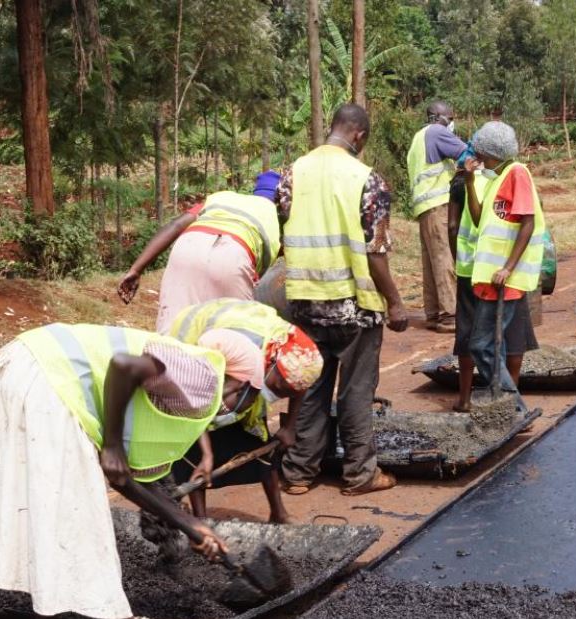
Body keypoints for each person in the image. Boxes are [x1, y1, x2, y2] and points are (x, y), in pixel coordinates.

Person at [0, 323, 245, 619]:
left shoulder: (155, 391)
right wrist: (111, 444)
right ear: (237, 381)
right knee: (79, 523)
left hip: (29, 367)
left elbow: (122, 478)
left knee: (51, 510)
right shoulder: (200, 378)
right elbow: (124, 365)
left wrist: (190, 525)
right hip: (47, 378)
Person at [277, 103, 409, 497]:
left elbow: (282, 228)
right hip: (354, 307)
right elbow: (375, 252)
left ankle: (299, 472)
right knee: (355, 390)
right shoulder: (367, 180)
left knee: (311, 387)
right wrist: (396, 302)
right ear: (359, 136)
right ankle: (359, 473)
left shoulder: (293, 173)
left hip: (303, 301)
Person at [164, 300, 324, 524]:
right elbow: (196, 403)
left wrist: (289, 427)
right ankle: (200, 520)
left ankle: (278, 513)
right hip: (194, 346)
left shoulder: (295, 355)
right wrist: (208, 454)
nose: (281, 395)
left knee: (258, 438)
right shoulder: (233, 349)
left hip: (242, 360)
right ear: (271, 364)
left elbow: (298, 385)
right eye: (278, 388)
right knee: (195, 450)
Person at [452, 121, 548, 414]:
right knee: (493, 344)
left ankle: (513, 405)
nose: (478, 160)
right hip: (489, 281)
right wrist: (469, 181)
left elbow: (527, 222)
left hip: (506, 279)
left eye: (481, 155)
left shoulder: (517, 174)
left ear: (493, 153)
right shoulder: (496, 179)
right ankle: (505, 405)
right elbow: (480, 219)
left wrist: (508, 267)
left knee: (481, 345)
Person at [118, 172, 283, 330]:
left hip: (187, 246)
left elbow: (174, 226)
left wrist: (136, 269)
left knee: (173, 329)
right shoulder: (273, 217)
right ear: (278, 199)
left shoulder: (222, 197)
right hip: (234, 253)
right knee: (237, 335)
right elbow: (258, 275)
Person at [406, 100, 471, 333]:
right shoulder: (436, 132)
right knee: (444, 259)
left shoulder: (418, 138)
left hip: (424, 208)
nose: (451, 122)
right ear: (437, 117)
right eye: (449, 118)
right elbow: (468, 154)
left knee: (431, 261)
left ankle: (433, 314)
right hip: (438, 205)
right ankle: (450, 314)